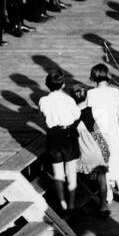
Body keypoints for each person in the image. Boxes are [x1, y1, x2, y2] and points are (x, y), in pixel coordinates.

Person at [87, 64, 119, 205]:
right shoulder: (116, 92)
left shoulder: (90, 94)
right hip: (113, 130)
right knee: (117, 158)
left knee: (105, 160)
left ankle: (109, 192)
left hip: (98, 132)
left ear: (94, 77)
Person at [39, 71, 80, 213]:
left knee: (58, 172)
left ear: (47, 85)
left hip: (53, 135)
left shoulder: (43, 101)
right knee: (71, 171)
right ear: (63, 84)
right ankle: (72, 203)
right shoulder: (68, 100)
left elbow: (44, 114)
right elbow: (76, 115)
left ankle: (62, 202)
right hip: (68, 134)